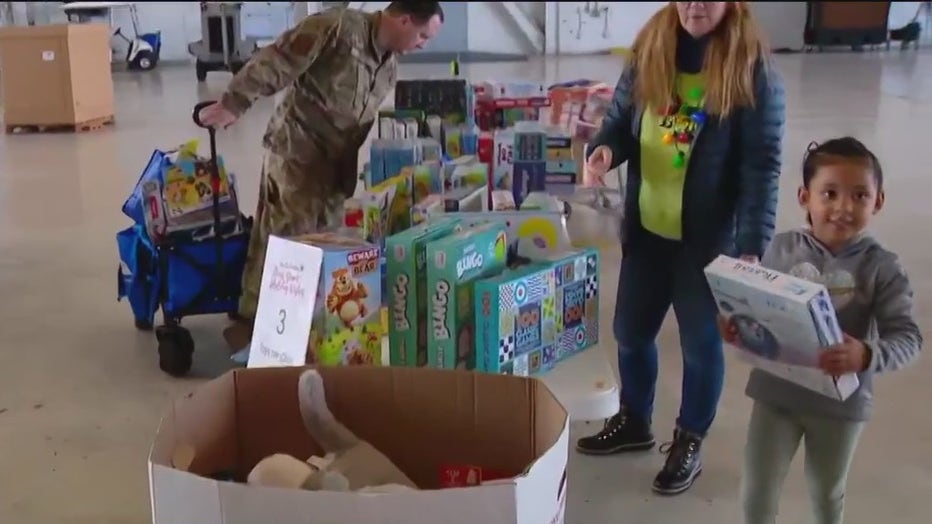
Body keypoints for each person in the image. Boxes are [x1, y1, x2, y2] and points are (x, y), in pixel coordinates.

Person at [575, 1, 786, 496]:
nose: (694, 4)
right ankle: (634, 421)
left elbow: (763, 166)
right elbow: (622, 119)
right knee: (629, 332)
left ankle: (689, 438)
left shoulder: (753, 70)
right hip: (647, 231)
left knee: (700, 346)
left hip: (708, 244)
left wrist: (752, 247)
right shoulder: (651, 49)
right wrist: (605, 149)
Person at [196, 2, 444, 352]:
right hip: (297, 154)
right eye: (422, 35)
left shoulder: (388, 63)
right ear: (404, 20)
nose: (423, 44)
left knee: (322, 247)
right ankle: (263, 332)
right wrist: (233, 103)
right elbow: (278, 60)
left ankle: (284, 322)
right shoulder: (339, 28)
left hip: (332, 168)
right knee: (288, 245)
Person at [732, 137, 922, 524]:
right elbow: (759, 316)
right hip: (776, 397)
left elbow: (907, 337)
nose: (843, 208)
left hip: (840, 407)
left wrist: (866, 355)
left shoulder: (882, 268)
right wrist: (736, 321)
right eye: (830, 193)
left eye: (859, 196)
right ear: (805, 197)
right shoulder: (781, 249)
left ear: (878, 201)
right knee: (756, 492)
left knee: (827, 493)